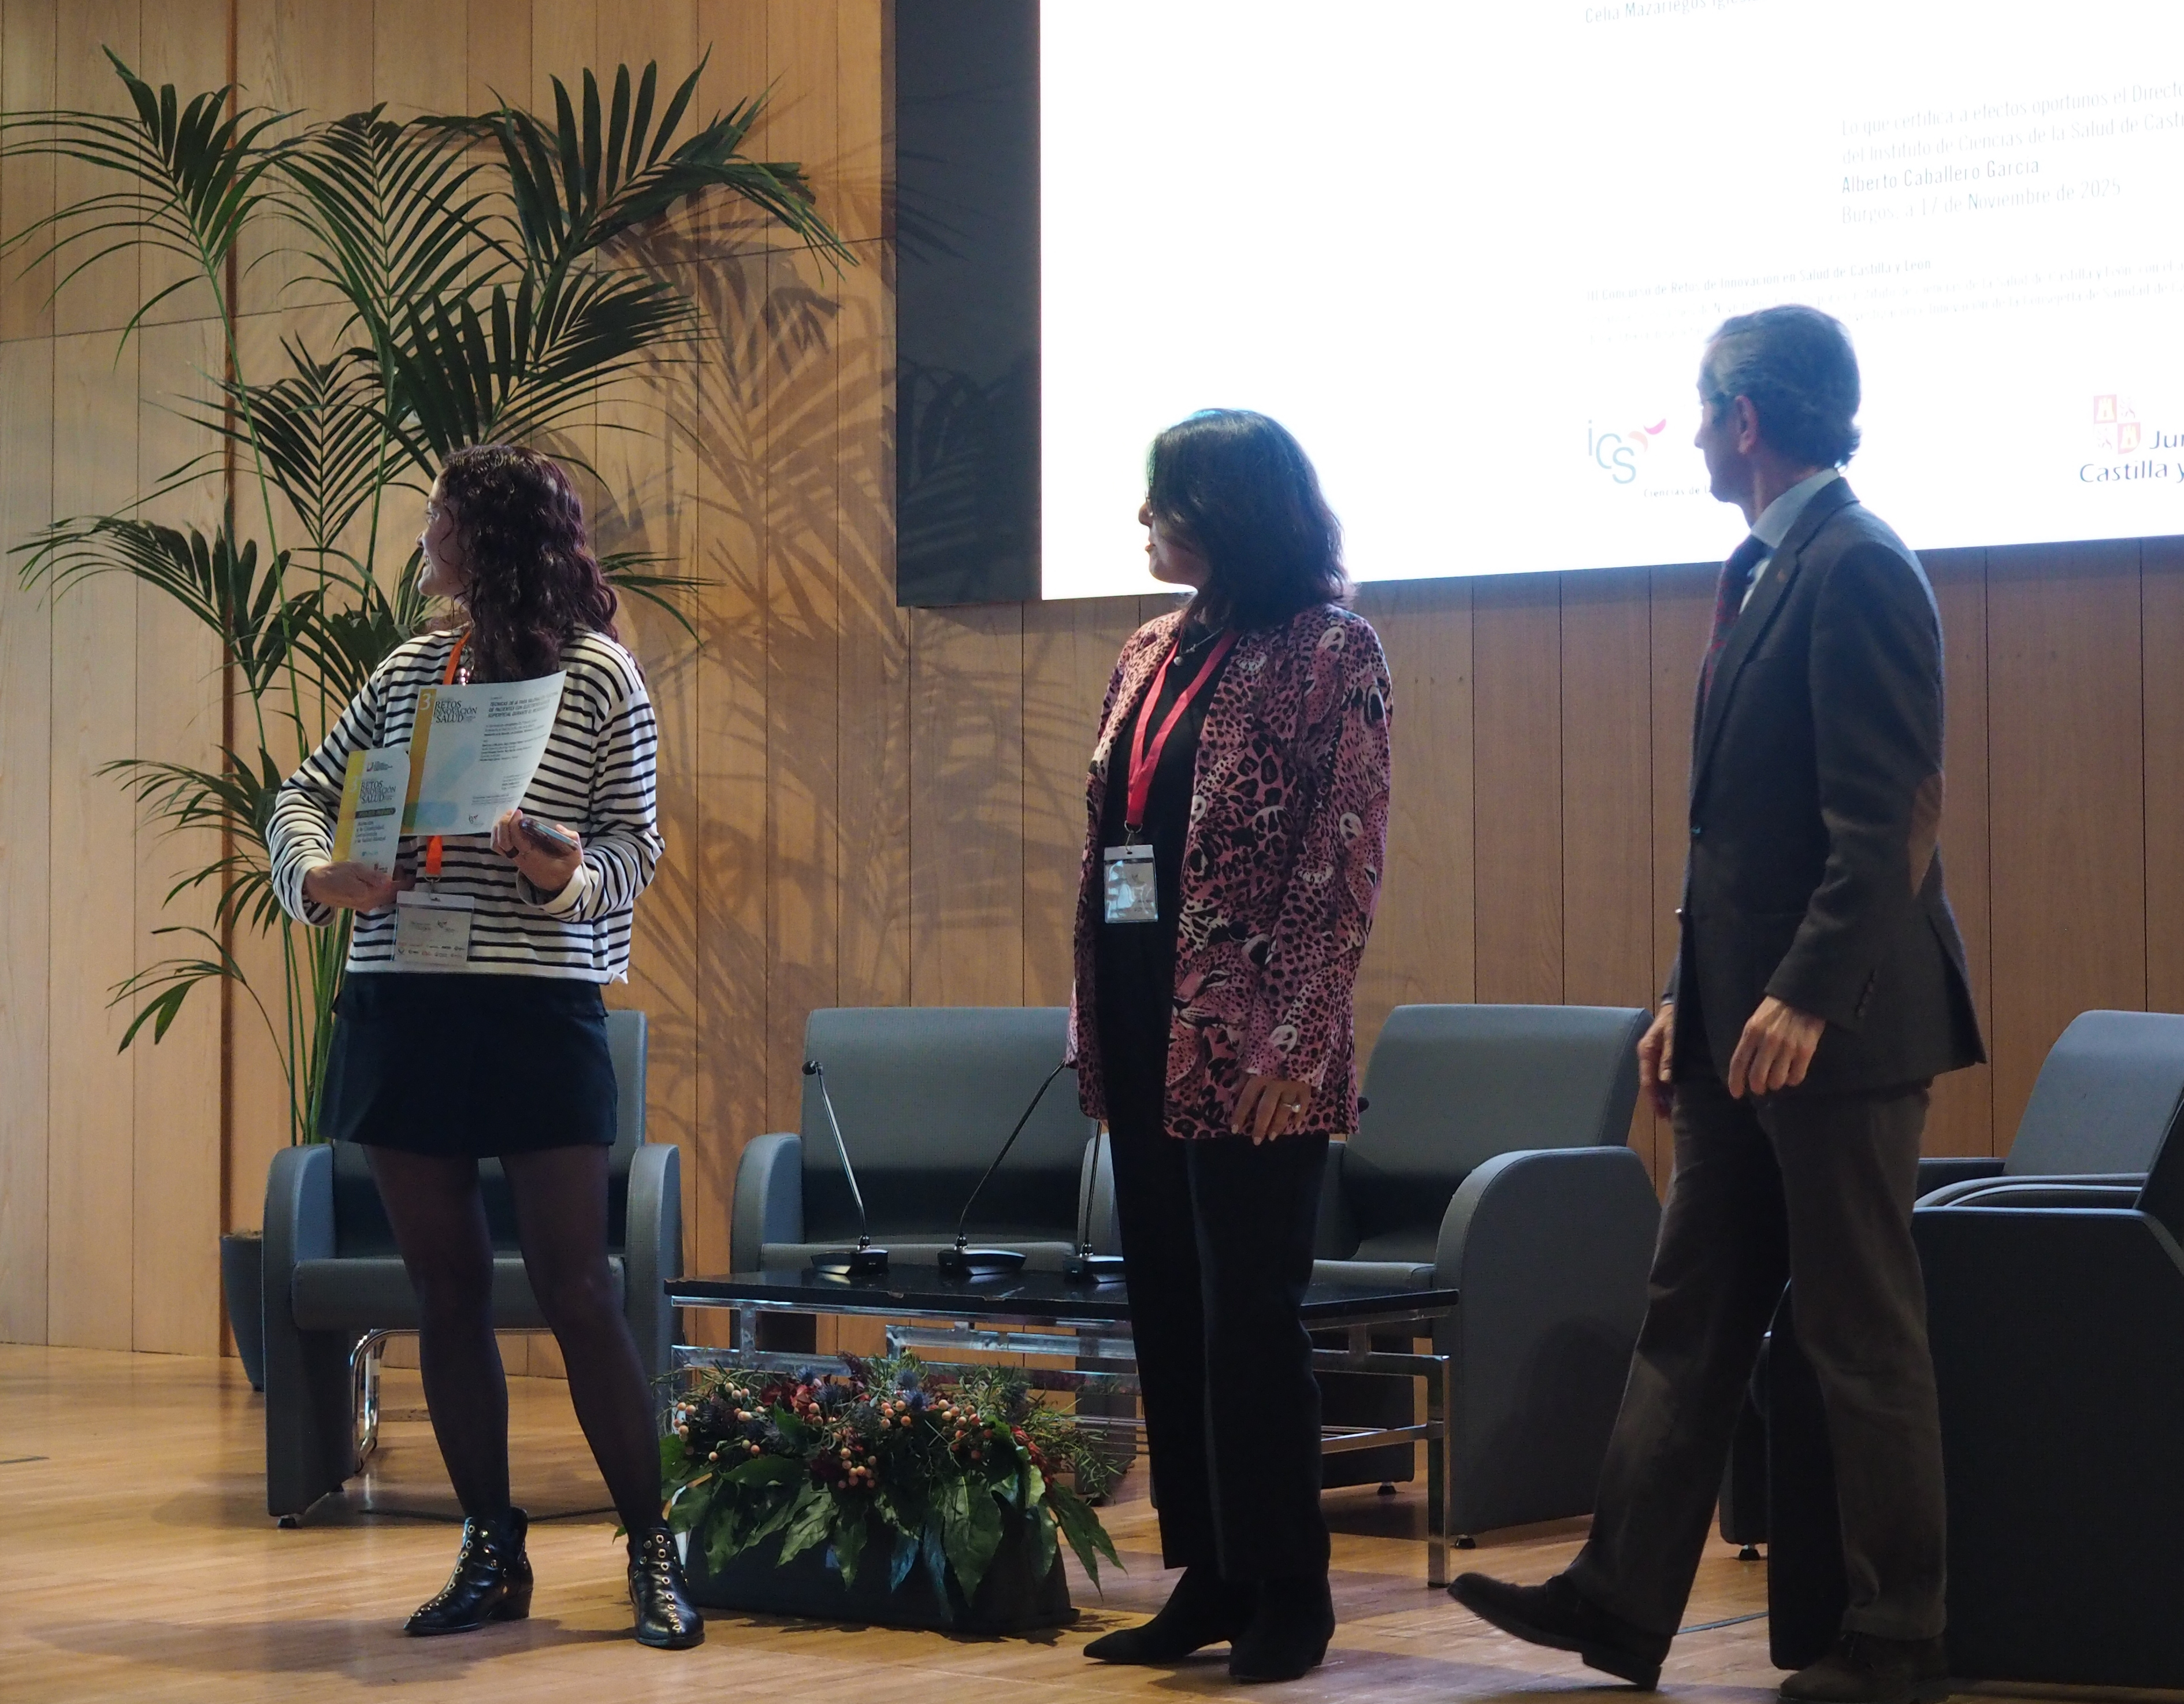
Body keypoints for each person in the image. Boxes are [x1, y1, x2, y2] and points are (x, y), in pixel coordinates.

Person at [1450, 306, 1983, 1704]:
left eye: (1701, 410)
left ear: (1746, 418)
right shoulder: (1766, 568)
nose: (1688, 435)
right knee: (1688, 1315)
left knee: (1858, 1333)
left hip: (1839, 1030)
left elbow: (1888, 822)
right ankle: (1619, 1600)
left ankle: (1902, 1632)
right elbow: (1735, 844)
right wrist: (1685, 999)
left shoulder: (1860, 565)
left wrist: (1804, 993)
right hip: (1738, 1033)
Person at [266, 444, 702, 1651]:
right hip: (402, 1000)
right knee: (445, 1289)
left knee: (577, 1287)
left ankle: (653, 1546)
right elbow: (298, 793)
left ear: (490, 538)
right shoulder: (409, 668)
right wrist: (320, 874)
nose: (424, 538)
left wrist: (566, 872)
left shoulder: (601, 673)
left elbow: (635, 847)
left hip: (535, 1007)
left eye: (439, 518)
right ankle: (490, 1549)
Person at [1067, 410, 1393, 1684]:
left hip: (1256, 1044)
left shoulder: (1331, 648)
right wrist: (1097, 1021)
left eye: (1165, 500)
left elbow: (1341, 863)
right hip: (1143, 1014)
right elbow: (1114, 846)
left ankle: (1289, 1590)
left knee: (1250, 1319)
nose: (1145, 522)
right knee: (1167, 1304)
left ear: (1230, 509)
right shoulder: (1149, 647)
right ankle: (1206, 1573)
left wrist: (1295, 1043)